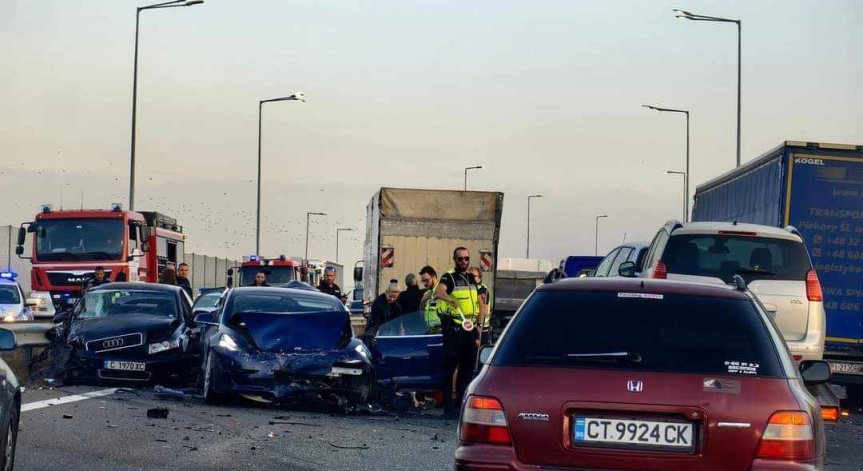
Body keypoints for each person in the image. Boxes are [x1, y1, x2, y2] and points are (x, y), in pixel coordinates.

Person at [435, 247, 482, 416]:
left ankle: (460, 404)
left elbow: (478, 302)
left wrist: (479, 325)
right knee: (450, 368)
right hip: (454, 329)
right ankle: (448, 406)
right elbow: (439, 291)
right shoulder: (449, 277)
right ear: (454, 259)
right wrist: (450, 298)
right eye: (460, 259)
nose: (464, 261)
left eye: (466, 258)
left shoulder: (470, 278)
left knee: (467, 368)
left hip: (469, 329)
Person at [467, 266, 491, 345]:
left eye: (474, 276)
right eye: (469, 275)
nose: (471, 278)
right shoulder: (469, 289)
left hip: (481, 329)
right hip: (471, 327)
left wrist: (478, 333)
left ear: (479, 278)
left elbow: (484, 310)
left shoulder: (482, 290)